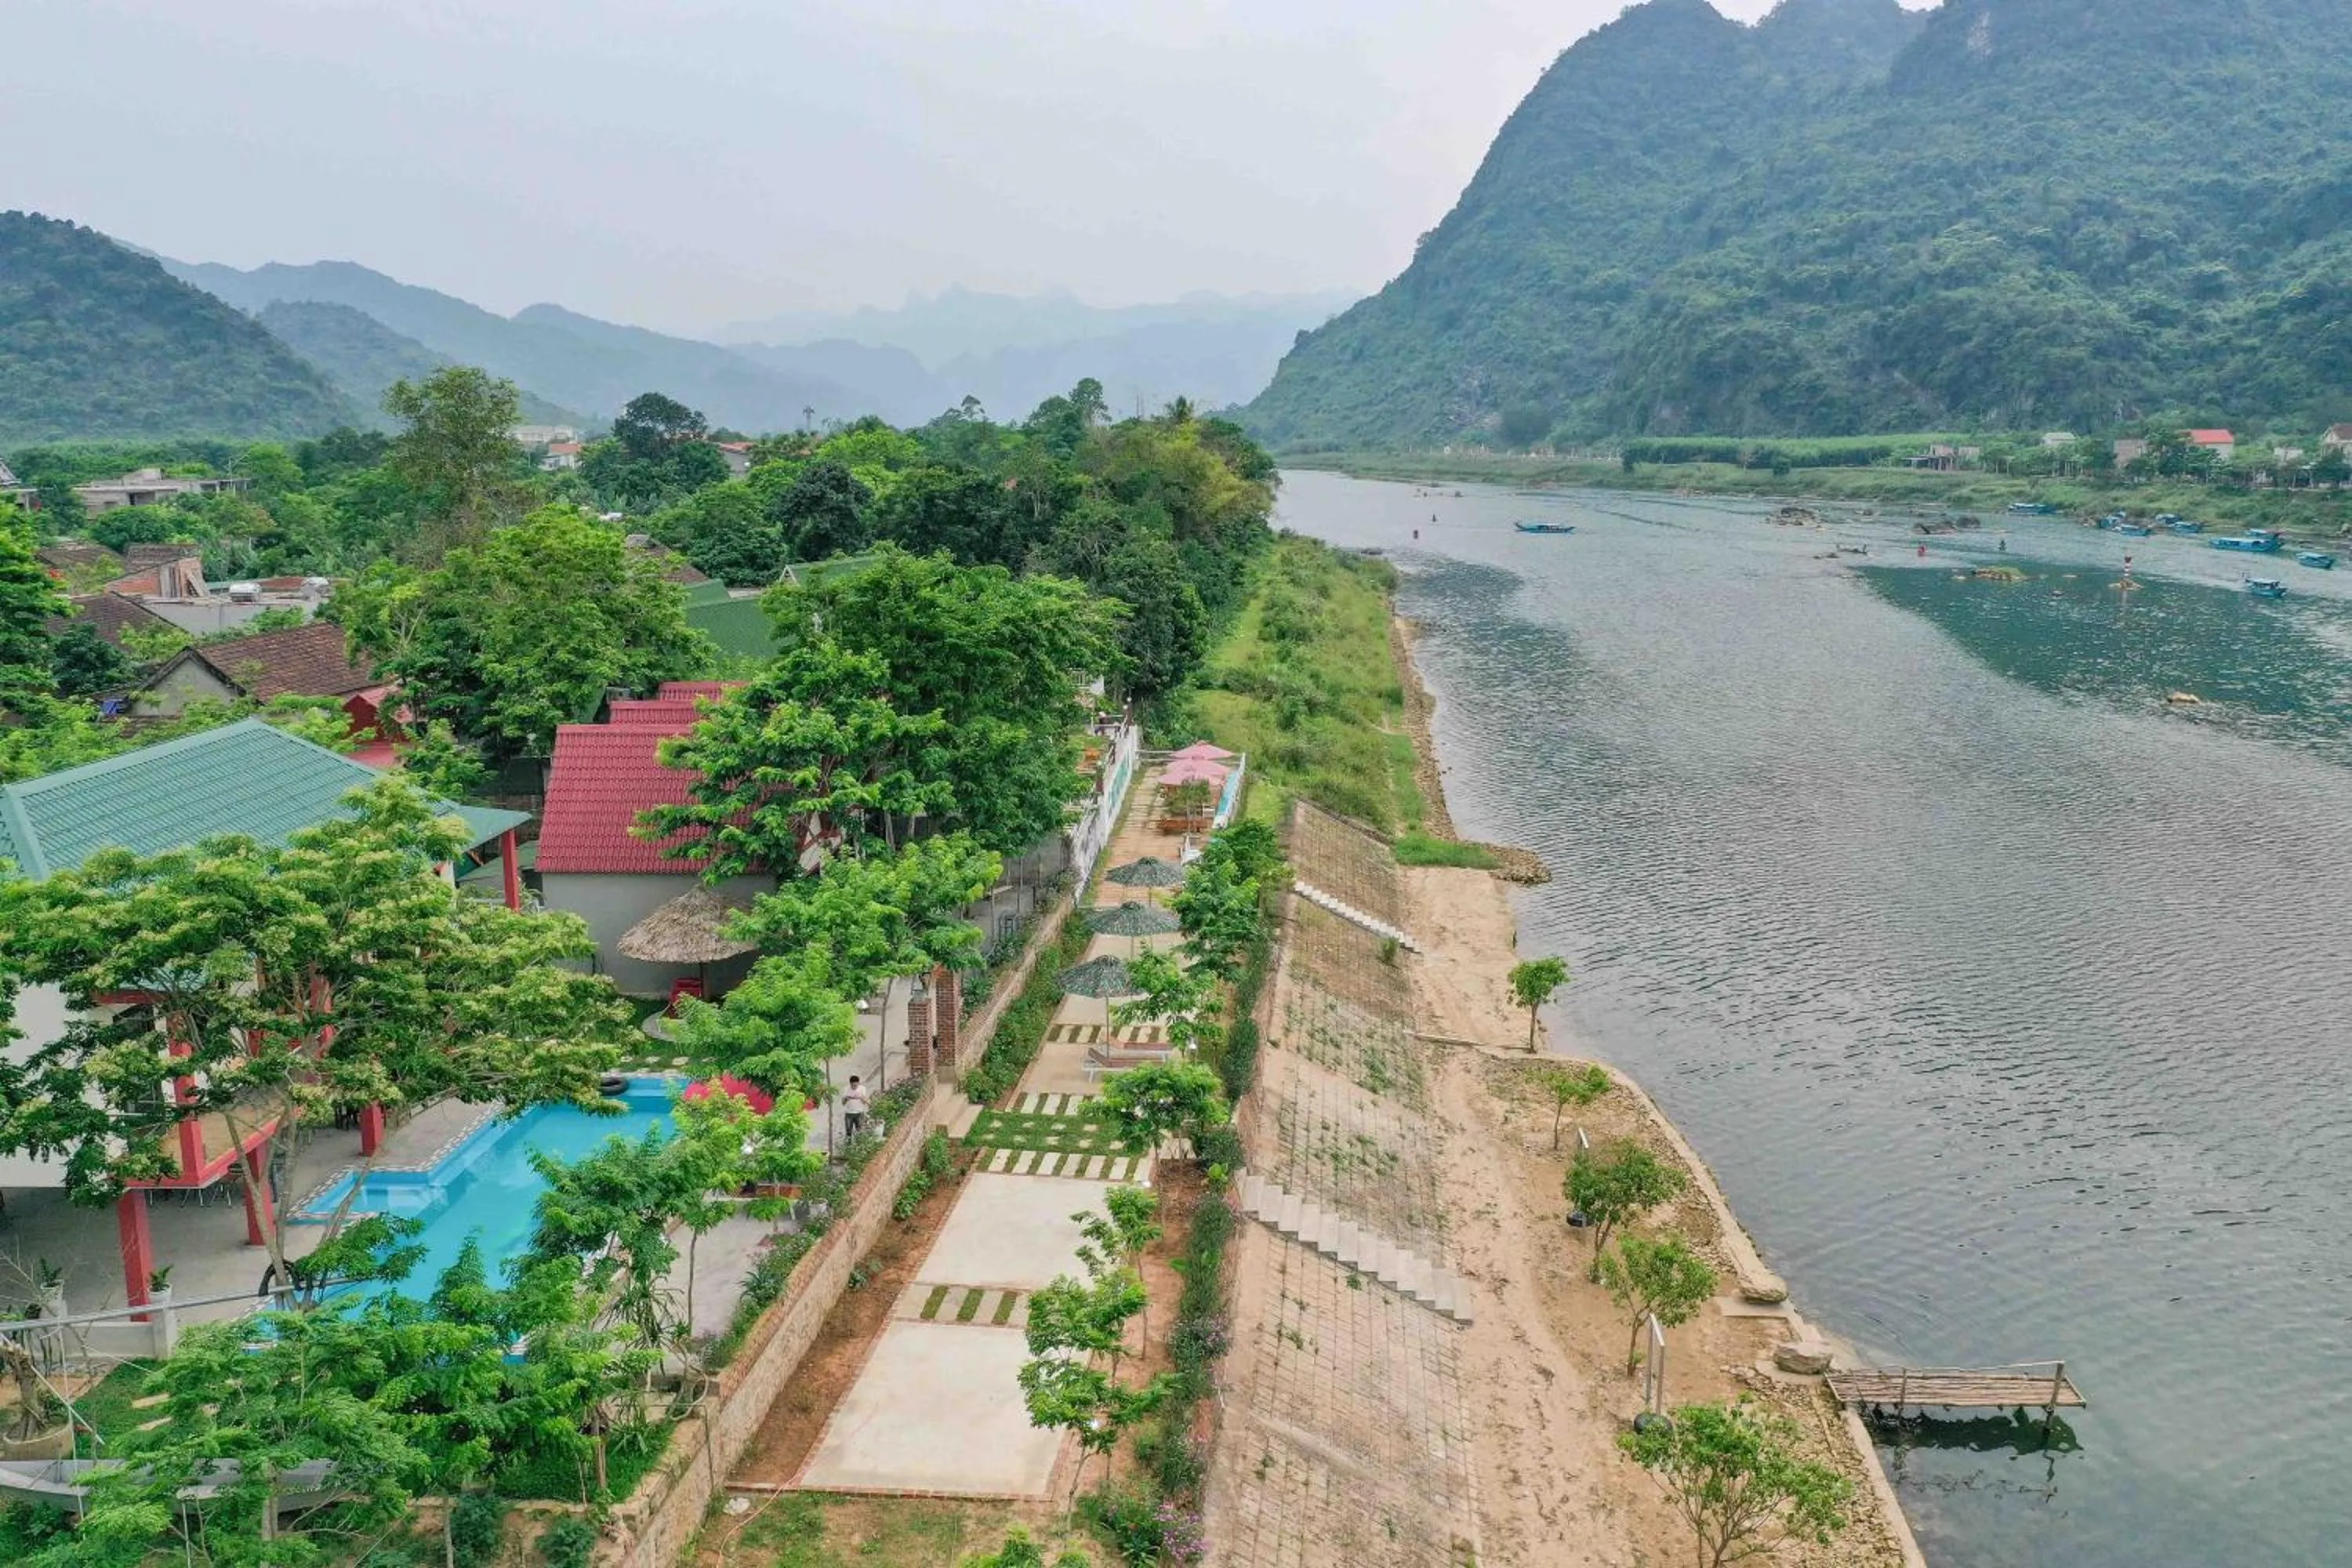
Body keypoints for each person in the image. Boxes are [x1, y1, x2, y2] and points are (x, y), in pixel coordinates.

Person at [841, 1076, 869, 1142]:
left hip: (859, 1113)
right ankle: (849, 1145)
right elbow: (843, 1103)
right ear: (850, 1084)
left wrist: (860, 1097)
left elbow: (865, 1101)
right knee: (848, 1131)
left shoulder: (862, 1089)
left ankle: (860, 1144)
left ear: (858, 1083)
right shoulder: (846, 1089)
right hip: (849, 1113)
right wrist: (846, 1099)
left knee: (859, 1130)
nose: (854, 1087)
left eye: (856, 1085)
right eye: (853, 1085)